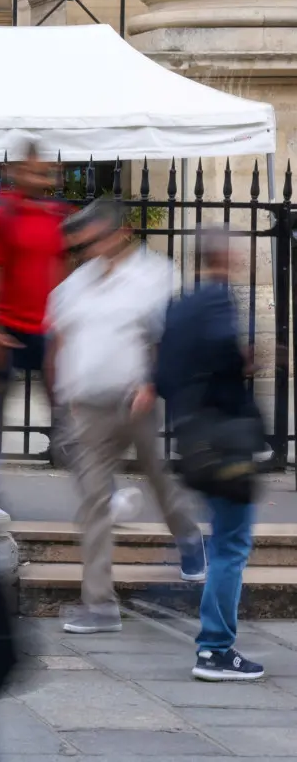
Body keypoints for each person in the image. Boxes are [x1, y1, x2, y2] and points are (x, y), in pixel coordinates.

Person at [47, 199, 206, 635]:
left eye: (92, 241)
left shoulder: (155, 277)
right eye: (79, 246)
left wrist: (152, 383)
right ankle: (99, 604)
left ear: (120, 233)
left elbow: (165, 340)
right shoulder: (75, 285)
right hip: (89, 406)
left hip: (134, 396)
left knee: (157, 475)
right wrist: (67, 392)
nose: (85, 252)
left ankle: (188, 535)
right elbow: (63, 338)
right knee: (95, 501)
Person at [155, 227, 265, 680]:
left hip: (193, 439)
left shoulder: (179, 308)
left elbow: (161, 376)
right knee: (231, 545)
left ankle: (203, 633)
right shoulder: (219, 301)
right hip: (226, 440)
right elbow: (223, 350)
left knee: (221, 537)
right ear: (225, 256)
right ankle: (215, 648)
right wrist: (242, 361)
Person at [0, 143, 71, 524]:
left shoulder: (57, 215)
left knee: (67, 408)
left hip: (46, 326)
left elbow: (61, 272)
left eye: (43, 171)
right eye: (32, 171)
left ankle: (98, 490)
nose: (39, 178)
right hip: (9, 328)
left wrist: (65, 324)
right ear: (13, 170)